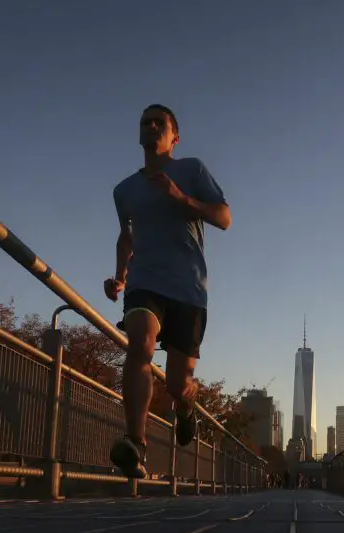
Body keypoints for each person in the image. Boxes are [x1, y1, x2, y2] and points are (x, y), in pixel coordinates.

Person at [103, 104, 232, 479]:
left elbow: (224, 217)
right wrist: (119, 276)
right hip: (144, 282)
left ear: (175, 136)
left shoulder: (191, 170)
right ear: (139, 133)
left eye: (161, 122)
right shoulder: (123, 190)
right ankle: (135, 444)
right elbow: (127, 237)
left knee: (178, 383)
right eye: (145, 122)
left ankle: (186, 409)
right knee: (139, 345)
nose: (152, 126)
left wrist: (182, 198)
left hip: (189, 289)